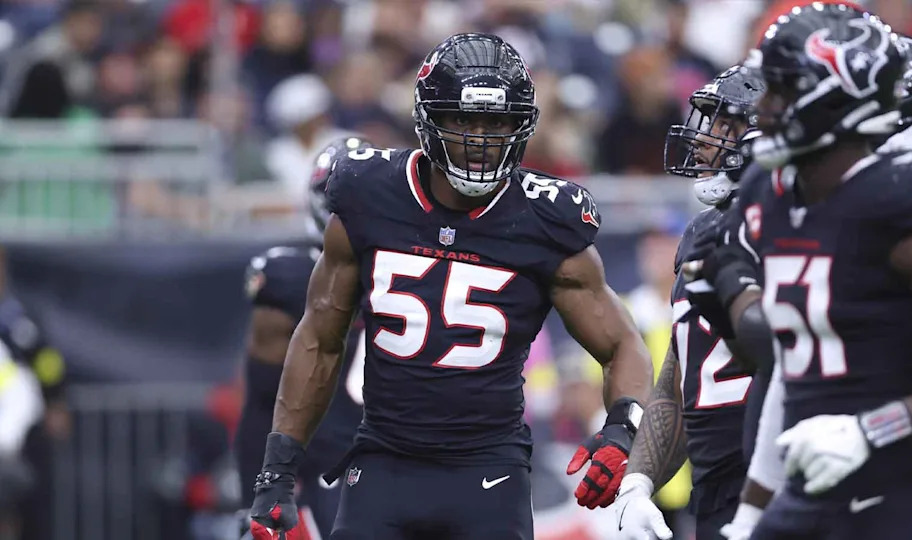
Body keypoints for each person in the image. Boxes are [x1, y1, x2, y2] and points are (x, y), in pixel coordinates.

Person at [248, 33, 655, 540]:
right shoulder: (370, 194)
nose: (480, 140)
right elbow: (320, 338)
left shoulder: (546, 219)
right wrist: (277, 470)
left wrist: (621, 429)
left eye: (496, 123)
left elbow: (622, 344)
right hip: (383, 462)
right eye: (464, 120)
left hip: (490, 471)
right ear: (428, 119)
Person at [687, 5, 912, 539]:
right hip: (805, 492)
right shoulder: (771, 194)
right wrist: (752, 512)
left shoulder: (904, 195)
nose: (763, 109)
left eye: (780, 92)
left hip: (899, 495)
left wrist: (871, 430)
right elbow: (789, 374)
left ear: (836, 98)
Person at [613, 65, 765, 540]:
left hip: (790, 482)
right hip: (716, 489)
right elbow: (683, 373)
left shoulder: (804, 226)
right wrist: (638, 482)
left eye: (725, 125)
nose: (703, 140)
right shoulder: (702, 231)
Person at [236, 136, 371, 540]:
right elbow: (262, 399)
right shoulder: (290, 278)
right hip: (333, 468)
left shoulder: (425, 266)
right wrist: (253, 495)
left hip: (416, 455)